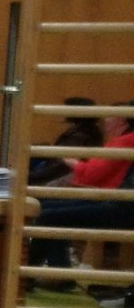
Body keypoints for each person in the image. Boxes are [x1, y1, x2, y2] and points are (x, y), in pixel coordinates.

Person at [28, 108, 134, 278]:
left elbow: (93, 174)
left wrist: (71, 161)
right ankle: (55, 272)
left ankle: (33, 273)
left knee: (47, 215)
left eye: (110, 116)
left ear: (122, 119)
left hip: (117, 203)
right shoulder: (120, 140)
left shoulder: (125, 141)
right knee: (47, 211)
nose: (105, 120)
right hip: (110, 198)